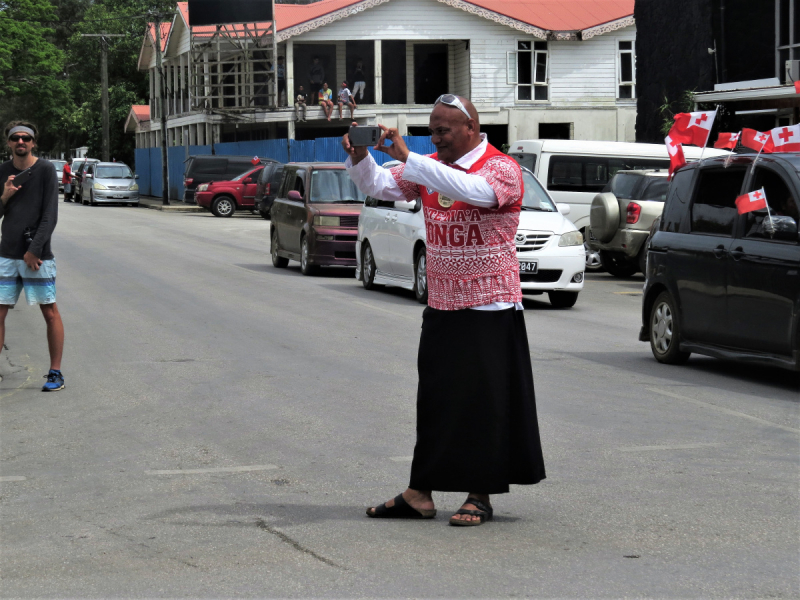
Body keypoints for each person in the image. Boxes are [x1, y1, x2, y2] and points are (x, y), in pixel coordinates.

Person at [342, 95, 545, 527]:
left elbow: (474, 192)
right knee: (434, 398)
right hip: (442, 300)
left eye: (443, 131)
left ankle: (479, 494)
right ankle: (420, 492)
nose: (436, 137)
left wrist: (413, 159)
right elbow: (379, 185)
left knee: (484, 401)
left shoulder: (500, 167)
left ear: (470, 128)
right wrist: (360, 157)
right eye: (432, 131)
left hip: (489, 302)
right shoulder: (431, 165)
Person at [0, 121, 65, 392]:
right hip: (6, 255)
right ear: (9, 143)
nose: (21, 142)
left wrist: (34, 250)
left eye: (26, 138)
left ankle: (55, 373)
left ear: (33, 142)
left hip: (36, 256)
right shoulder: (3, 171)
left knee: (49, 311)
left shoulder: (46, 170)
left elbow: (50, 215)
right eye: (16, 138)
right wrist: (4, 196)